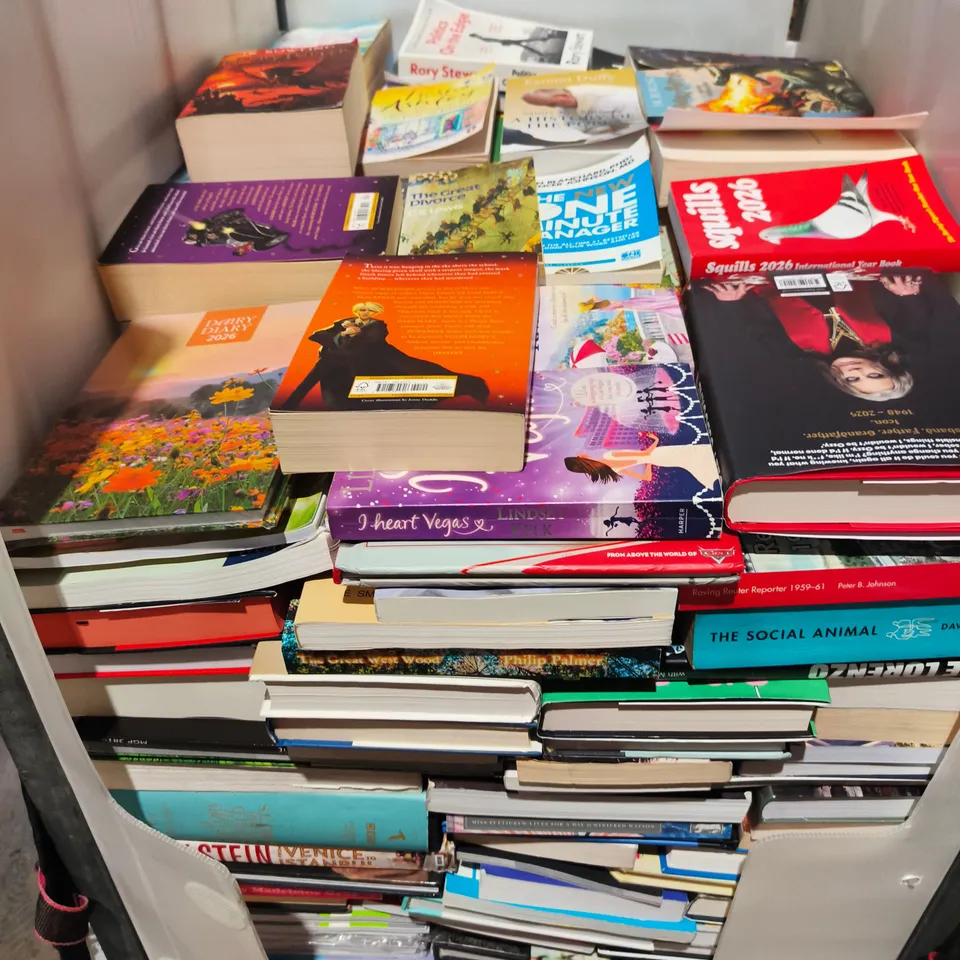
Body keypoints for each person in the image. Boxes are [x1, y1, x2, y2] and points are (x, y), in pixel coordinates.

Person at [702, 275, 922, 402]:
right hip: (836, 259)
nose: (856, 372)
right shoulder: (890, 335)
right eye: (874, 374)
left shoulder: (791, 351)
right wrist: (906, 291)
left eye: (853, 380)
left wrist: (730, 301)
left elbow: (749, 322)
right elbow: (897, 293)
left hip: (765, 272)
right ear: (888, 366)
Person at [279, 302, 490, 411]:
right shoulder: (341, 323)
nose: (364, 313)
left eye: (368, 311)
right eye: (361, 310)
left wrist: (356, 335)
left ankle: (467, 386)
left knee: (424, 372)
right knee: (320, 371)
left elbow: (373, 342)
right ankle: (289, 407)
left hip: (373, 364)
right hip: (339, 367)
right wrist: (342, 334)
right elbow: (317, 335)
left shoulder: (377, 326)